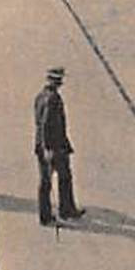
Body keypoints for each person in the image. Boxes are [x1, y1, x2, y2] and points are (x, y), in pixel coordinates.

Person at [33, 67, 84, 225]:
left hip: (45, 145)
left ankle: (62, 211)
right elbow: (46, 123)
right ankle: (55, 214)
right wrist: (48, 147)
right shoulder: (53, 98)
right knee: (56, 179)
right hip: (54, 146)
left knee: (57, 178)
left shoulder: (40, 96)